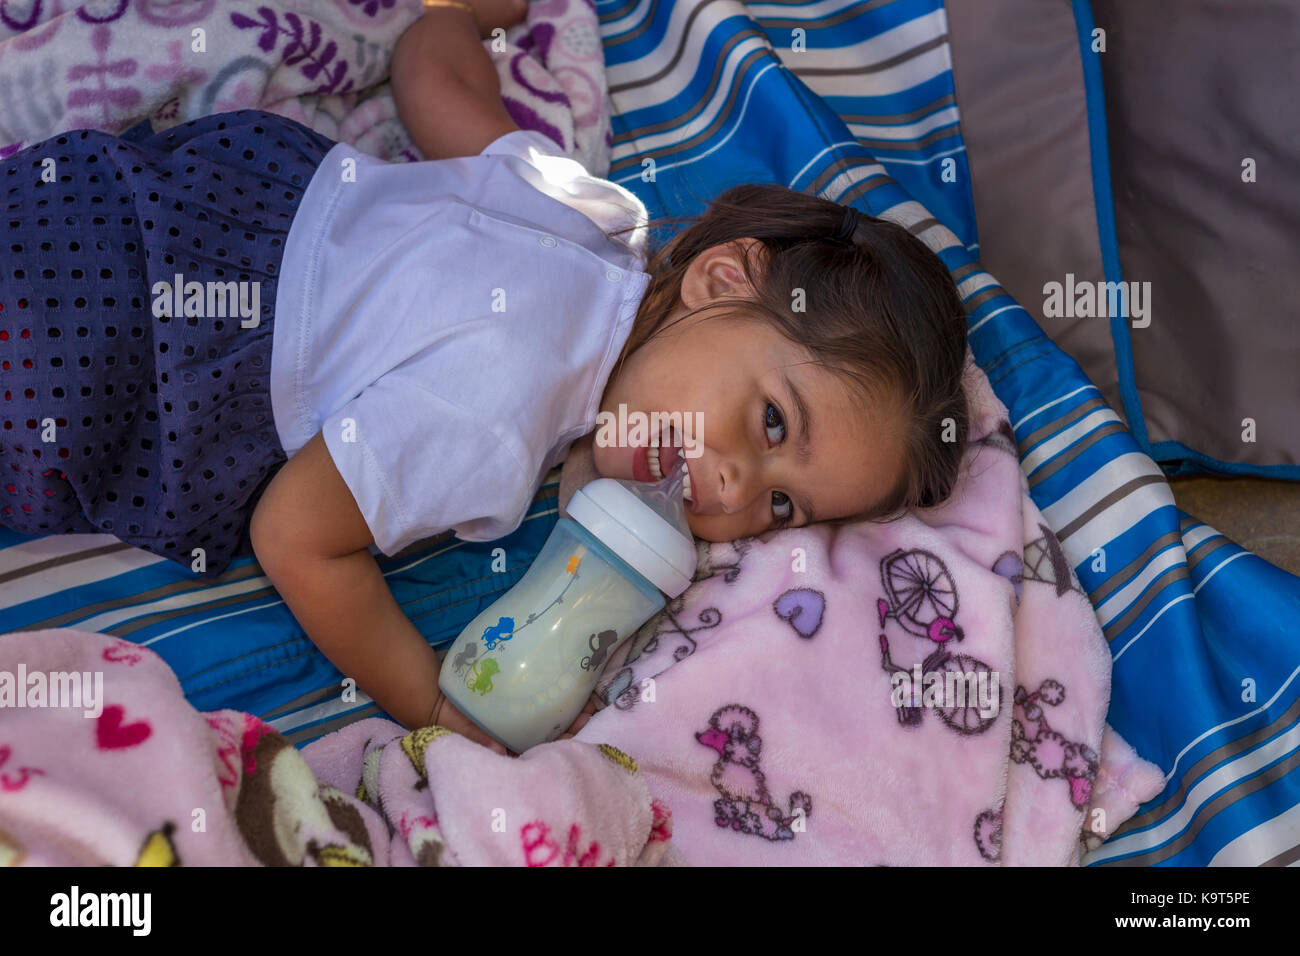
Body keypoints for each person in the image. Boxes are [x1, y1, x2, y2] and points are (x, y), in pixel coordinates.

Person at [0, 0, 968, 752]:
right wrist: (429, 698)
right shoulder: (500, 419)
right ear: (724, 276)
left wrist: (459, 18)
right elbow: (295, 534)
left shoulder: (594, 212)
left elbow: (436, 86)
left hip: (162, 204)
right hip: (108, 361)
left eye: (784, 507)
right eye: (767, 424)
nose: (732, 491)